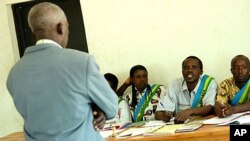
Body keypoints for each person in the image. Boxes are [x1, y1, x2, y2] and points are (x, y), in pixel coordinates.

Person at [6, 2, 118, 141]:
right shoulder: (82, 62)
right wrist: (96, 108)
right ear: (60, 27)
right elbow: (112, 107)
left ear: (34, 30)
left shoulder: (14, 73)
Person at [155, 56, 218, 124]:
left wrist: (190, 111)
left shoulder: (209, 83)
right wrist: (166, 117)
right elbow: (159, 113)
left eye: (194, 67)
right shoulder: (174, 85)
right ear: (182, 71)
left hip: (202, 125)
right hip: (179, 127)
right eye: (186, 67)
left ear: (201, 72)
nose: (189, 70)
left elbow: (209, 107)